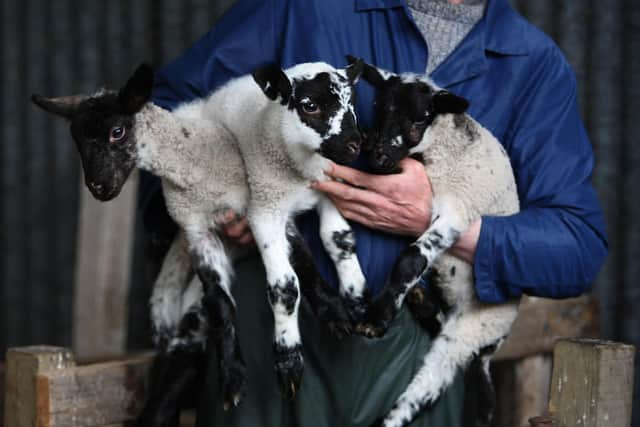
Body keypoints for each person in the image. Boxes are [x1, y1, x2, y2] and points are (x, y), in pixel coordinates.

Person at [141, 0, 608, 425]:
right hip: (269, 340)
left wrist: (436, 222)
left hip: (417, 362)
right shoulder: (303, 9)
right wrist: (224, 192)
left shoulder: (534, 66)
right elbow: (160, 117)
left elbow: (577, 245)